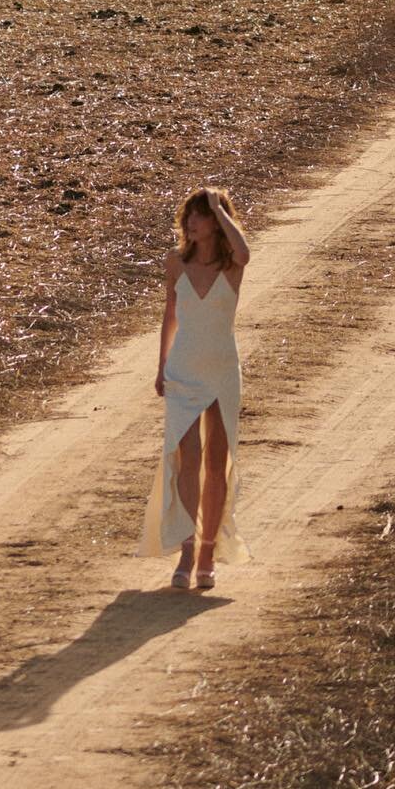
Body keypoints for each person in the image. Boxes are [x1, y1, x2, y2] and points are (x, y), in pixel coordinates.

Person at [137, 183, 251, 588]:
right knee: (187, 459)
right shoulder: (175, 262)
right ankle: (186, 547)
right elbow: (169, 316)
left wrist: (220, 210)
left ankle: (207, 553)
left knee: (217, 464)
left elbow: (243, 252)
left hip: (221, 371)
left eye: (199, 214)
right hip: (184, 369)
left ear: (217, 223)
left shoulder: (230, 266)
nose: (191, 221)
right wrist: (161, 366)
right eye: (189, 214)